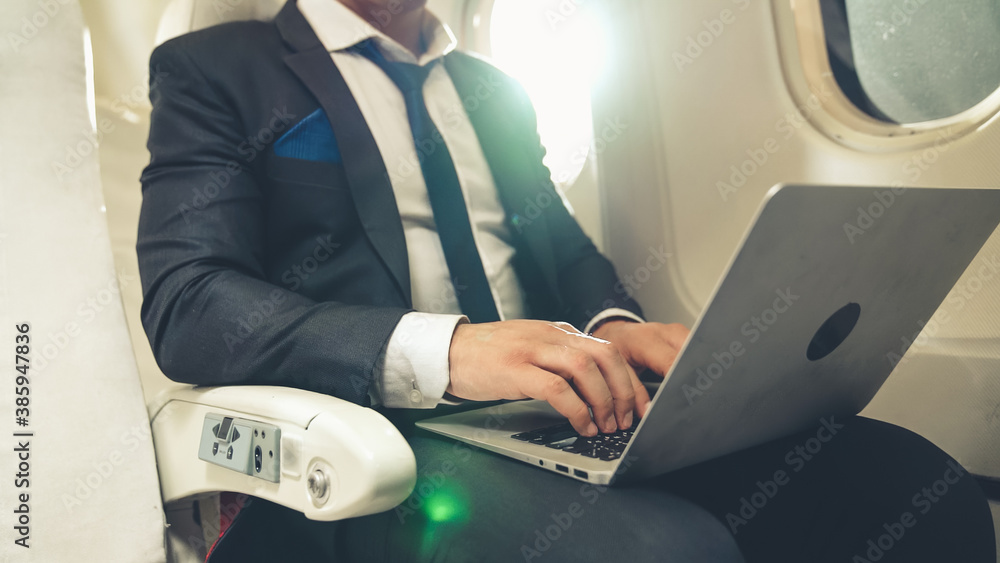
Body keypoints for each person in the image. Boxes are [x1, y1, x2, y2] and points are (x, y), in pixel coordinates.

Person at [137, 0, 997, 561]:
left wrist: (618, 325)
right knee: (667, 551)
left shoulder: (493, 91)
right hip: (389, 427)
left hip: (553, 408)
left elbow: (562, 250)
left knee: (910, 481)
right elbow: (190, 298)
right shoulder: (219, 71)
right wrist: (452, 350)